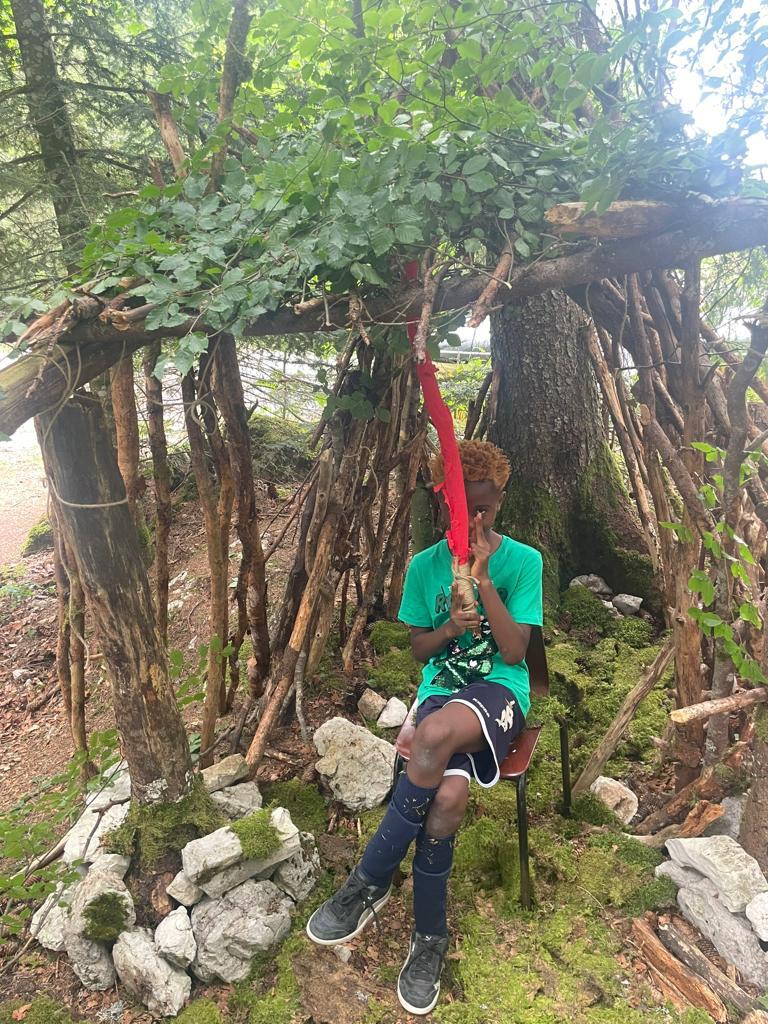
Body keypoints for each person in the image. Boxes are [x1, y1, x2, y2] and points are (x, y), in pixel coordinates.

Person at [306, 440, 544, 1015]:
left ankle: (369, 879)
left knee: (432, 737)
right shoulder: (424, 566)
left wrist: (485, 582)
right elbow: (419, 650)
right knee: (449, 799)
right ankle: (430, 936)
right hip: (443, 689)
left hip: (500, 692)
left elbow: (516, 653)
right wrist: (449, 627)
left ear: (500, 502)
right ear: (444, 505)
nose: (475, 520)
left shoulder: (523, 562)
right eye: (464, 509)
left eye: (485, 508)